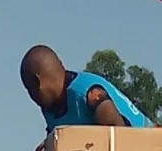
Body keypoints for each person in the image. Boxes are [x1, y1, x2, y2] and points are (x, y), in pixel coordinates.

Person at [20, 45, 152, 132]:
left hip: (153, 149)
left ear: (37, 82)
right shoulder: (51, 110)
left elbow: (119, 136)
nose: (31, 97)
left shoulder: (89, 94)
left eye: (29, 89)